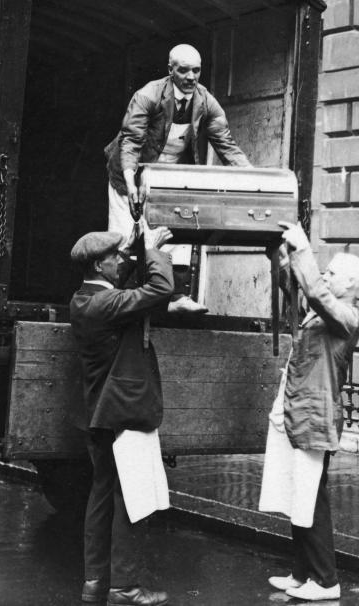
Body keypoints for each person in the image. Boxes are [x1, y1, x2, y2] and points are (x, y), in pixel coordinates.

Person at [104, 43, 252, 314]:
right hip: (130, 172)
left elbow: (226, 144)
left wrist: (253, 181)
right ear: (170, 70)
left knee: (179, 227)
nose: (191, 77)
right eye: (183, 70)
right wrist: (130, 182)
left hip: (168, 173)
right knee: (126, 232)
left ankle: (176, 296)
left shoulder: (205, 100)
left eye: (196, 70)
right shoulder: (148, 95)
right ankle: (116, 297)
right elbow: (131, 141)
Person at [69, 226, 174, 606]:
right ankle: (125, 586)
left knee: (101, 497)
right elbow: (159, 290)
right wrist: (152, 250)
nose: (121, 261)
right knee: (130, 496)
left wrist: (131, 251)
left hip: (99, 415)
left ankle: (95, 582)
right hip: (121, 414)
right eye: (115, 257)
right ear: (100, 263)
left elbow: (123, 286)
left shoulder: (85, 299)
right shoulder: (106, 304)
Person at [264, 221, 359, 602]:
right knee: (298, 494)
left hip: (314, 416)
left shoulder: (348, 316)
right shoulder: (324, 309)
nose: (325, 274)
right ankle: (302, 572)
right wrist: (285, 255)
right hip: (299, 411)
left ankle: (325, 581)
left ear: (352, 285)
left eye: (333, 273)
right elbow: (299, 287)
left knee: (311, 498)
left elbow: (317, 294)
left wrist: (305, 250)